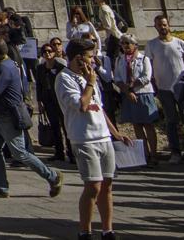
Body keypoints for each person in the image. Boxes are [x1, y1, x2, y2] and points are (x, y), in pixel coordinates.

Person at [55, 37, 127, 240]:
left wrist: (115, 132)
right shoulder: (65, 78)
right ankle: (85, 230)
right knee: (93, 185)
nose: (93, 60)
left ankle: (107, 229)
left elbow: (99, 108)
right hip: (84, 138)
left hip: (102, 136)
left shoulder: (90, 76)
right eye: (89, 56)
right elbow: (82, 105)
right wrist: (90, 83)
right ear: (78, 58)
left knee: (107, 185)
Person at [0, 36, 64, 200]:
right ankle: (1, 186)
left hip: (8, 116)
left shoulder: (5, 67)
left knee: (20, 154)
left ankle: (52, 176)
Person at [145, 15, 184, 164]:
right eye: (159, 25)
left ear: (168, 25)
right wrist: (154, 86)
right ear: (155, 27)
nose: (162, 27)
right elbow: (148, 65)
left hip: (182, 86)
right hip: (164, 87)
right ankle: (175, 152)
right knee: (171, 120)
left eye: (164, 24)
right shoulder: (152, 45)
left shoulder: (180, 43)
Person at [110, 34, 159, 165]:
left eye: (128, 43)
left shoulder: (144, 59)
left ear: (135, 45)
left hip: (142, 93)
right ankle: (144, 153)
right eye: (123, 44)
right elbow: (118, 78)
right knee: (136, 124)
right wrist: (126, 91)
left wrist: (132, 87)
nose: (125, 46)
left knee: (148, 124)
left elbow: (146, 77)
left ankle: (154, 154)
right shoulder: (119, 60)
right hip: (128, 95)